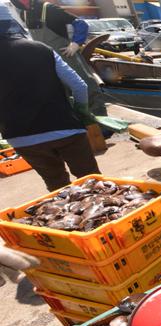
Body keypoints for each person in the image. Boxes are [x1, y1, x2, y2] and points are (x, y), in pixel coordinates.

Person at [0, 4, 100, 191]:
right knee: (92, 180)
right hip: (65, 128)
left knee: (57, 186)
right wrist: (81, 110)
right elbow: (79, 85)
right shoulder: (41, 49)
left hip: (21, 138)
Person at [9, 0, 107, 116]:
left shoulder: (49, 9)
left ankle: (100, 117)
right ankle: (77, 118)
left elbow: (81, 24)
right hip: (47, 58)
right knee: (62, 91)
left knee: (85, 86)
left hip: (66, 55)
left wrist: (75, 43)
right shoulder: (24, 14)